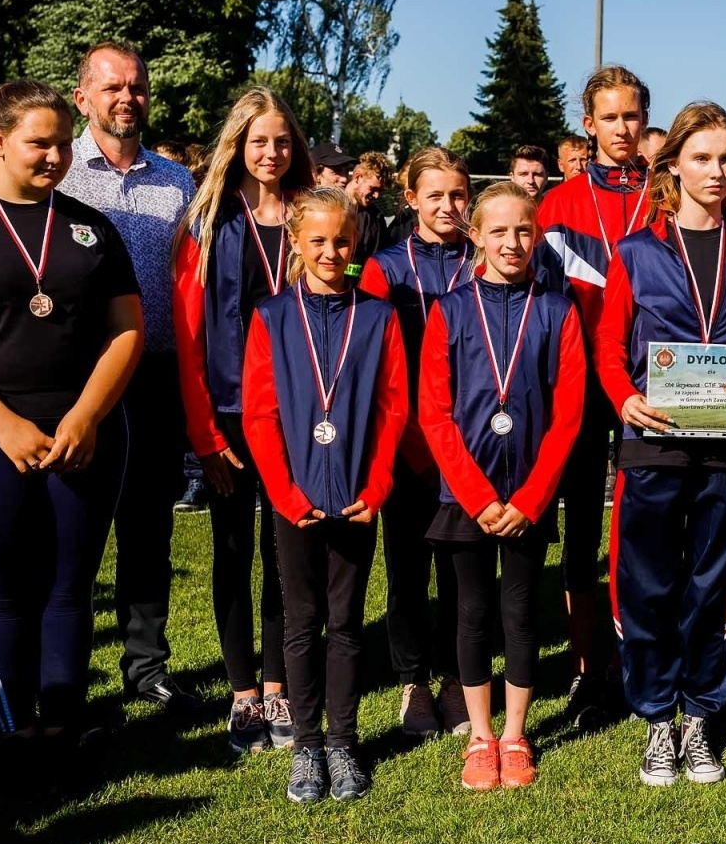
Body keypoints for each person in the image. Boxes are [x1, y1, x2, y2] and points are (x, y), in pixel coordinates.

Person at [0, 80, 142, 778]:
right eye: (40, 142)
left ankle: (65, 726)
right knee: (5, 588)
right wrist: (3, 424)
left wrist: (86, 414)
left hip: (85, 429)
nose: (55, 156)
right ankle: (18, 732)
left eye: (64, 143)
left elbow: (126, 330)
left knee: (70, 584)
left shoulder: (91, 228)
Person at [597, 101, 726, 786]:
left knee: (712, 584)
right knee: (648, 582)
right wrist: (623, 395)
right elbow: (606, 343)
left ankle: (700, 716)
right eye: (703, 158)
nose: (717, 171)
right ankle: (657, 717)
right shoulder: (636, 251)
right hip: (652, 442)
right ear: (674, 164)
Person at [241, 186, 409, 803]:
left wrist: (379, 485)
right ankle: (306, 746)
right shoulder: (271, 317)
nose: (333, 251)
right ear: (296, 243)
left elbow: (394, 410)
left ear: (357, 239)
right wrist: (283, 493)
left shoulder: (378, 316)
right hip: (296, 498)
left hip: (359, 498)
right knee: (300, 621)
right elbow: (259, 415)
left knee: (345, 623)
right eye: (319, 240)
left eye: (342, 240)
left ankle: (343, 742)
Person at [418, 182, 586, 789]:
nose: (512, 243)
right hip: (468, 497)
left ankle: (515, 735)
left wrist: (532, 498)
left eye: (523, 231)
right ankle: (480, 735)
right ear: (476, 237)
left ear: (535, 236)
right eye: (499, 231)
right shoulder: (450, 309)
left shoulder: (557, 310)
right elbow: (433, 413)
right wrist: (479, 497)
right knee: (472, 613)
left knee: (519, 612)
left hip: (528, 497)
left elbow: (569, 414)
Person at [57, 40, 203, 714]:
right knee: (73, 529)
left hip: (158, 377)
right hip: (75, 381)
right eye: (112, 87)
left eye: (137, 87)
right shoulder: (59, 177)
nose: (128, 98)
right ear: (82, 97)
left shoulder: (178, 182)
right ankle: (66, 669)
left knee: (148, 529)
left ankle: (146, 666)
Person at [175, 86, 315, 752]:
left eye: (282, 141)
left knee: (286, 556)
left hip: (296, 417)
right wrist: (203, 436)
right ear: (238, 145)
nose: (271, 152)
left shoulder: (310, 217)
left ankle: (280, 686)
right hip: (229, 419)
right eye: (259, 140)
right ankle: (243, 695)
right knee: (231, 553)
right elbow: (189, 336)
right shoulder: (209, 221)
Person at [538, 64, 653, 728]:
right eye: (608, 117)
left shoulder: (663, 196)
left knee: (649, 528)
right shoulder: (559, 205)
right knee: (582, 532)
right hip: (581, 385)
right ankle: (587, 672)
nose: (621, 128)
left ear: (644, 121)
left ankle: (644, 663)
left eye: (631, 116)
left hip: (651, 384)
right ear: (588, 125)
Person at [358, 147, 476, 736]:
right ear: (411, 199)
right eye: (435, 195)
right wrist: (402, 440)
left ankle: (457, 679)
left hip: (471, 444)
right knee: (406, 569)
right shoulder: (385, 267)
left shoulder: (486, 259)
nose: (449, 206)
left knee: (461, 572)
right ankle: (414, 682)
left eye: (458, 195)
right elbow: (379, 363)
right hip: (407, 442)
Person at [348, 150, 395, 264]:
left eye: (380, 191)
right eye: (373, 188)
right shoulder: (328, 207)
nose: (377, 195)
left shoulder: (376, 219)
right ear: (357, 177)